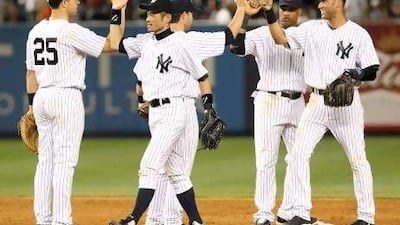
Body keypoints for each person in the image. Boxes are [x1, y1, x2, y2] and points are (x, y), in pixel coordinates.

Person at [107, 0, 246, 225]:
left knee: (149, 166)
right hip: (159, 112)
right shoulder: (147, 43)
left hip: (177, 109)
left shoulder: (184, 41)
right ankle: (195, 221)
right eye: (147, 14)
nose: (148, 18)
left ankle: (133, 219)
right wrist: (117, 9)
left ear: (169, 17)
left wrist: (208, 108)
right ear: (183, 14)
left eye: (153, 13)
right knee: (176, 173)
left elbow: (204, 73)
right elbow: (118, 47)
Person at [259, 0, 380, 224]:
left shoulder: (358, 34)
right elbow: (280, 38)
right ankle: (301, 212)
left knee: (358, 160)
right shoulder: (310, 29)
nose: (320, 4)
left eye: (325, 0)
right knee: (297, 155)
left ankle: (366, 217)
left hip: (347, 106)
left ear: (337, 2)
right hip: (316, 102)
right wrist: (268, 13)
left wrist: (358, 73)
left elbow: (372, 70)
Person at [24, 0, 122, 224]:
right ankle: (61, 220)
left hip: (42, 97)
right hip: (66, 96)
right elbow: (111, 45)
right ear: (64, 2)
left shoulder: (35, 31)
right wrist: (118, 11)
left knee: (45, 161)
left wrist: (31, 107)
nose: (78, 2)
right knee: (64, 163)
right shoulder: (70, 31)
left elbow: (30, 73)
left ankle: (44, 219)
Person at [231, 0, 328, 224]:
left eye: (291, 9)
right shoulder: (262, 34)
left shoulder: (308, 35)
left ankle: (291, 211)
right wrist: (244, 14)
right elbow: (236, 47)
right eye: (283, 8)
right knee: (266, 160)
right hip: (269, 100)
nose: (286, 13)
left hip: (297, 103)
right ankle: (263, 214)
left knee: (299, 158)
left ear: (300, 12)